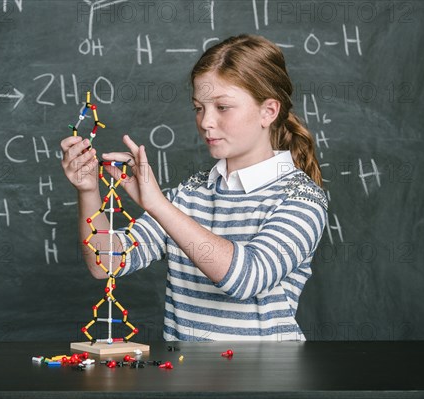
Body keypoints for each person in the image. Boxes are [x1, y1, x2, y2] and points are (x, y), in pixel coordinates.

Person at [61, 34, 328, 341]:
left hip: (264, 380)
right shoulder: (190, 194)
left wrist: (159, 206)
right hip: (187, 381)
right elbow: (106, 263)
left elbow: (247, 278)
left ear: (268, 111)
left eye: (223, 107)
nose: (206, 121)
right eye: (199, 108)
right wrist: (88, 191)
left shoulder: (301, 197)